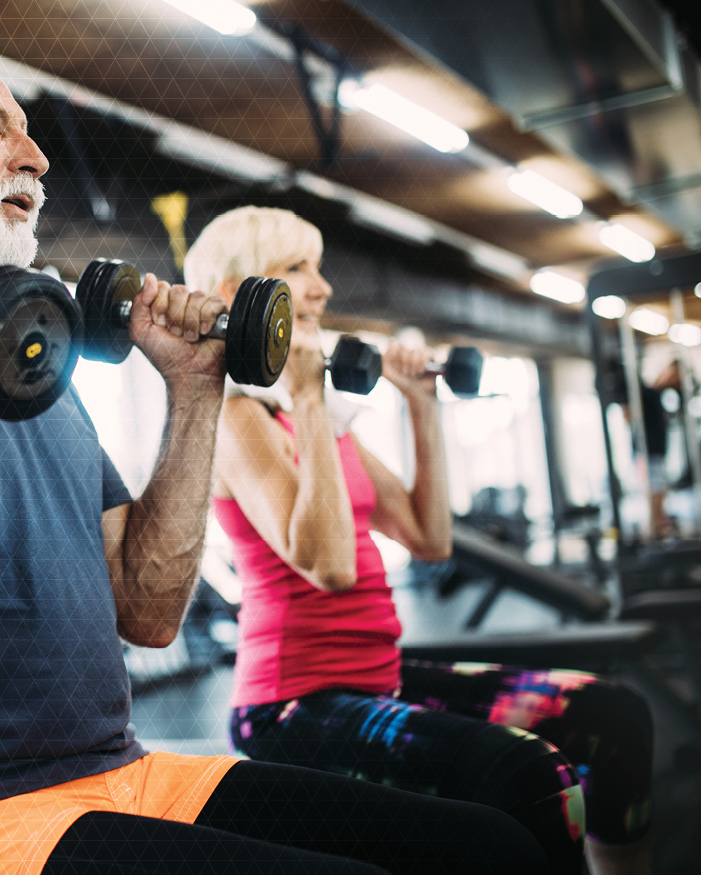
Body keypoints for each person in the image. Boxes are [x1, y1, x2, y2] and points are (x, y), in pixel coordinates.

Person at [0, 20, 550, 875]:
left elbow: (150, 613)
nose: (36, 156)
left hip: (116, 773)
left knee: (484, 846)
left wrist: (195, 390)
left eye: (23, 126)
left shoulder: (33, 371)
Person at [186, 206, 654, 875]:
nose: (320, 288)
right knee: (534, 774)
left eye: (316, 269)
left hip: (378, 674)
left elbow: (427, 538)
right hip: (293, 704)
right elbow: (328, 565)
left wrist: (419, 403)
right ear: (240, 293)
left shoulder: (322, 420)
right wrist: (310, 398)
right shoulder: (237, 417)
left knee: (610, 712)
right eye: (296, 270)